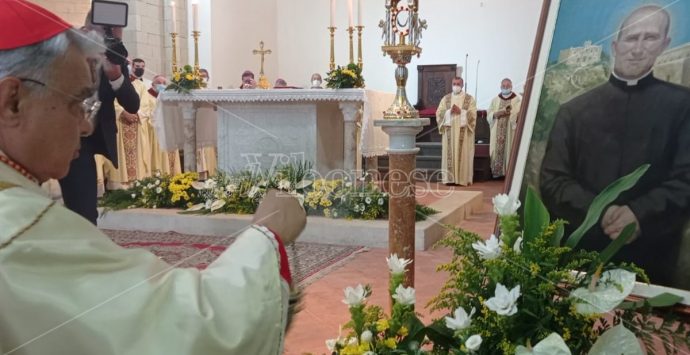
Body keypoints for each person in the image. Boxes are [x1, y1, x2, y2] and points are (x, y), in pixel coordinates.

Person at [0, 2, 306, 353]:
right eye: (77, 103)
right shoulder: (18, 232)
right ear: (13, 102)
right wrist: (266, 237)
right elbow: (186, 329)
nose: (86, 125)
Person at [539, 5, 690, 287]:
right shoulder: (574, 112)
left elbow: (686, 179)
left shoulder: (682, 106)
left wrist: (640, 213)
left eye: (650, 38)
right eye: (632, 38)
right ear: (616, 45)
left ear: (664, 44)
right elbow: (552, 180)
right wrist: (601, 211)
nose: (638, 48)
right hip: (582, 252)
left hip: (651, 256)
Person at [58, 9, 140, 224]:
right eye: (105, 31)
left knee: (85, 209)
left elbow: (132, 104)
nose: (112, 37)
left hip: (91, 137)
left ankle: (86, 240)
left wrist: (116, 77)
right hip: (62, 132)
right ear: (86, 30)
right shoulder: (66, 49)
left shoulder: (115, 55)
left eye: (116, 32)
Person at [436, 76, 477, 186]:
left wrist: (461, 112)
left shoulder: (469, 99)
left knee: (463, 153)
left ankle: (462, 179)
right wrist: (448, 111)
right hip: (449, 133)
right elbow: (439, 113)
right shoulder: (446, 99)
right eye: (454, 84)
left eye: (458, 84)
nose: (456, 86)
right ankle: (449, 179)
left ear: (462, 85)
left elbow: (473, 115)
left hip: (463, 133)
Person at [486, 78, 521, 178]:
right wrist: (495, 114)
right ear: (500, 87)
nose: (505, 88)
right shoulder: (495, 100)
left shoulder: (516, 100)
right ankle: (497, 173)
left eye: (507, 86)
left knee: (509, 150)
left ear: (511, 86)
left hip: (510, 131)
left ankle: (508, 173)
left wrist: (511, 113)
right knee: (494, 151)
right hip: (496, 130)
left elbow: (518, 112)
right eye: (503, 86)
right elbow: (489, 114)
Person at [146, 75, 181, 175]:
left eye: (164, 83)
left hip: (169, 130)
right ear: (153, 84)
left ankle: (173, 175)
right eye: (159, 83)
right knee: (159, 156)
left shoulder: (169, 96)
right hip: (155, 131)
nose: (162, 85)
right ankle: (159, 176)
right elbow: (147, 112)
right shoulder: (147, 96)